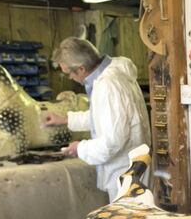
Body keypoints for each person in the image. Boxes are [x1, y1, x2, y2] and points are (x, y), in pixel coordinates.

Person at [44, 37, 151, 201]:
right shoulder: (113, 73)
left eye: (68, 73)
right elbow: (104, 117)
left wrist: (80, 148)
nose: (70, 78)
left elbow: (113, 141)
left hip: (124, 171)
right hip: (130, 167)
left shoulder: (109, 85)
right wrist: (65, 120)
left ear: (80, 69)